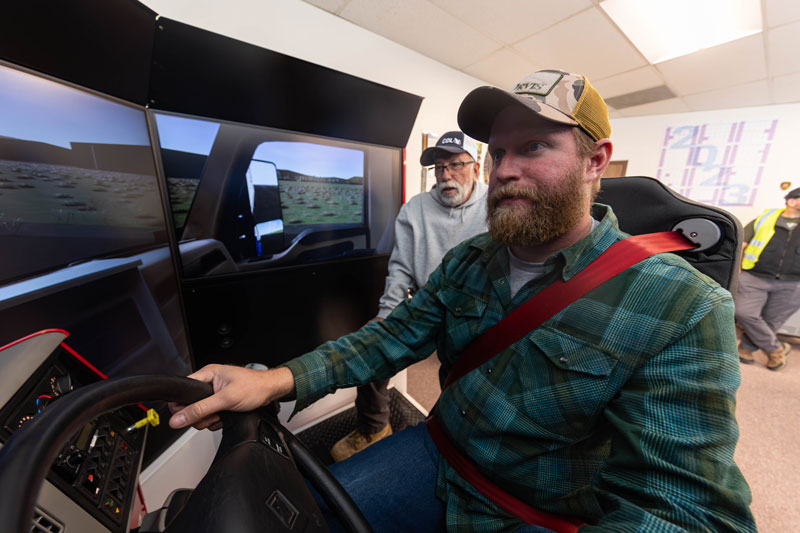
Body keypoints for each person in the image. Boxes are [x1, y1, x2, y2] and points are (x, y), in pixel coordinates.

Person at [169, 69, 755, 532]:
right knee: (304, 518)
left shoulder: (681, 304)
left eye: (533, 148)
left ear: (595, 162)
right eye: (498, 153)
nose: (506, 170)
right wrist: (276, 380)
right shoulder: (470, 260)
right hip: (440, 453)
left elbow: (685, 511)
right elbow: (391, 337)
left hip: (536, 507)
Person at [330, 131, 488, 462]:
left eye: (455, 165)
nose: (446, 175)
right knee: (375, 347)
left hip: (477, 312)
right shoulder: (415, 209)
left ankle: (449, 439)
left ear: (476, 167)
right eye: (439, 168)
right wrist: (386, 317)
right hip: (425, 307)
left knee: (469, 377)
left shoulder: (494, 208)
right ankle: (374, 427)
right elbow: (400, 269)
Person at [735, 188, 800, 370]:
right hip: (755, 277)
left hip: (793, 283)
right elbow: (742, 245)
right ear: (792, 201)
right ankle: (775, 349)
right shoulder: (764, 219)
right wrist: (738, 270)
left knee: (772, 320)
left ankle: (745, 349)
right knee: (743, 312)